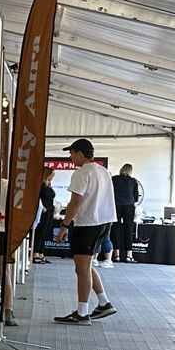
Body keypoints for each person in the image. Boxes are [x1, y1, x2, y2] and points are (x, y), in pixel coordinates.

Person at [54, 139, 118, 324]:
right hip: (104, 222)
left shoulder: (82, 173)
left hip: (88, 223)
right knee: (86, 266)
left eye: (72, 153)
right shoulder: (103, 170)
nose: (70, 156)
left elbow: (75, 202)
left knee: (82, 268)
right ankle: (104, 303)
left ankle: (82, 313)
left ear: (81, 153)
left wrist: (64, 226)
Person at [112, 162, 142, 263]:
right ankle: (129, 256)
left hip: (116, 205)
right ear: (130, 171)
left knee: (115, 228)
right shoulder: (133, 181)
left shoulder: (114, 179)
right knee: (128, 229)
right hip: (129, 206)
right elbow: (136, 197)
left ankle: (116, 255)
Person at [34, 179, 57, 262]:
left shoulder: (49, 185)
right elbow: (37, 196)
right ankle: (36, 253)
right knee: (41, 232)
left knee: (45, 233)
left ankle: (41, 253)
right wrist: (43, 208)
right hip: (44, 210)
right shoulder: (42, 185)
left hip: (50, 210)